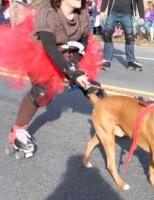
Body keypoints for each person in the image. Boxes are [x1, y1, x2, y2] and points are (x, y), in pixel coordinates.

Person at [0, 0, 104, 158]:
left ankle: (115, 119)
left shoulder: (83, 14)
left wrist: (74, 67)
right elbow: (50, 48)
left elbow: (82, 45)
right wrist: (70, 71)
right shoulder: (47, 11)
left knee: (92, 87)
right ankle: (18, 131)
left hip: (68, 52)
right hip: (40, 52)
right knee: (43, 92)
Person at [99, 0, 145, 71]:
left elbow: (139, 1)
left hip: (127, 14)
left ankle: (131, 61)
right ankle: (106, 60)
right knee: (106, 34)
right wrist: (102, 10)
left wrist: (142, 16)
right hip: (112, 13)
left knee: (129, 37)